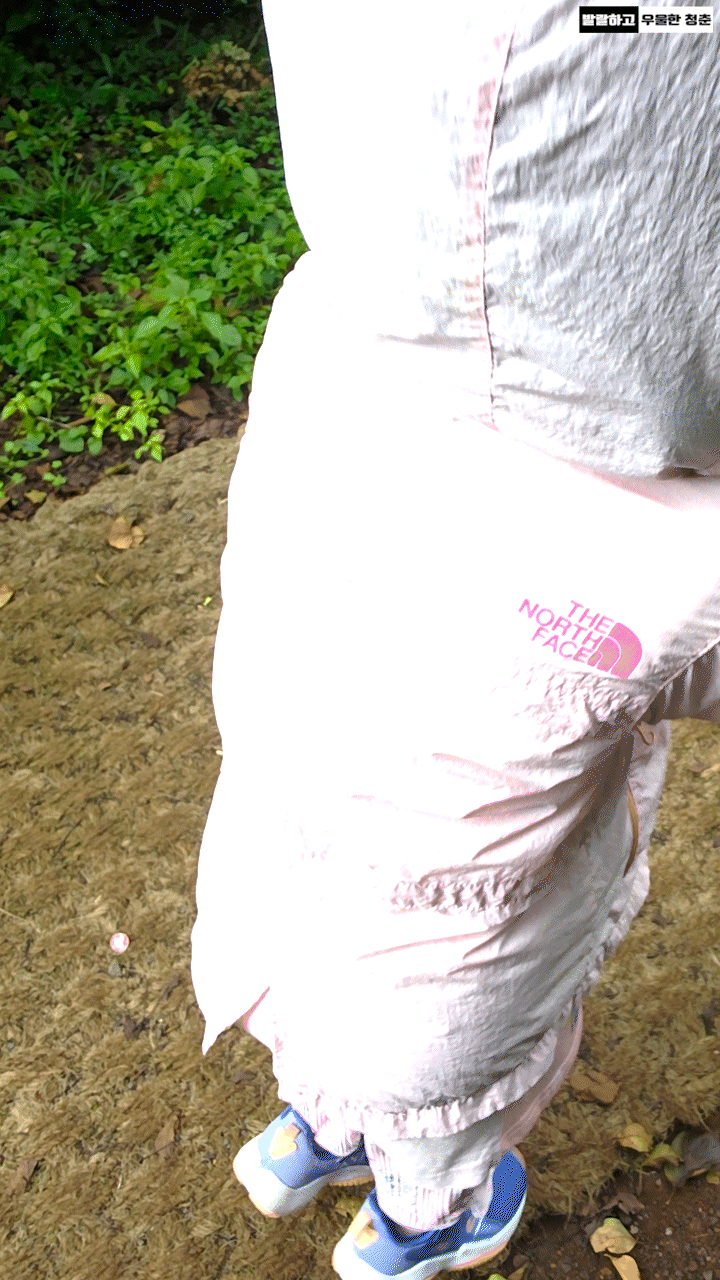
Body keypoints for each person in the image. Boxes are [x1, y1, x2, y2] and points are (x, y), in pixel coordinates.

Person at [190, 2, 720, 1274]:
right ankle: (420, 1220)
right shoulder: (672, 551)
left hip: (280, 884)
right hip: (460, 980)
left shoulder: (322, 355)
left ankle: (312, 1135)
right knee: (442, 1102)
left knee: (330, 1014)